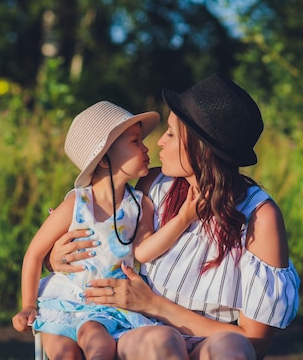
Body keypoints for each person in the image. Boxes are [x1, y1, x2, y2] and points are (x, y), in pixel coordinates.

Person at [47, 74, 301, 360]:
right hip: (142, 334)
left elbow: (255, 344)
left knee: (233, 348)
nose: (158, 144)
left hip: (206, 342)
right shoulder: (153, 186)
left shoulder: (258, 217)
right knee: (163, 341)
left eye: (170, 134)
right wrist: (56, 257)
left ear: (200, 148)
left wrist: (155, 304)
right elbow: (102, 232)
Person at [12, 101, 201, 360]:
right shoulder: (76, 205)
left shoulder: (139, 205)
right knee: (64, 355)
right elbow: (34, 253)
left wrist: (183, 219)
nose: (147, 147)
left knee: (99, 347)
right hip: (65, 300)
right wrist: (28, 305)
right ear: (103, 160)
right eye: (135, 141)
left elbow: (143, 252)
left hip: (106, 306)